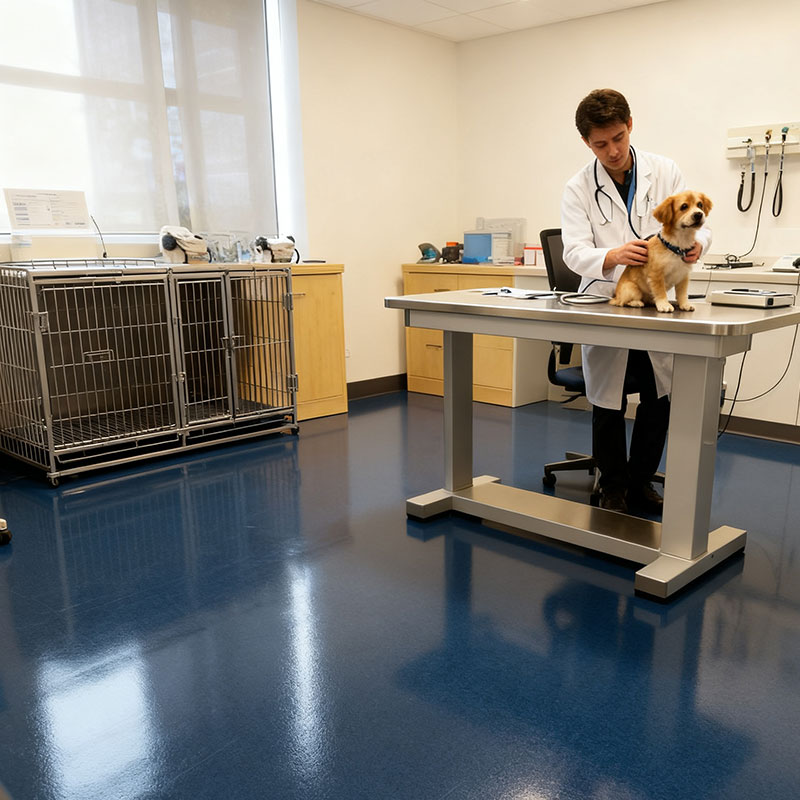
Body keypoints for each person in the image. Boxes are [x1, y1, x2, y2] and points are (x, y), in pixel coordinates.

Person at [560, 88, 712, 513]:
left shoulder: (664, 171)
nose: (612, 151)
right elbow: (573, 251)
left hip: (657, 302)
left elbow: (698, 218)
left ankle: (642, 480)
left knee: (657, 394)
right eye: (600, 144)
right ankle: (612, 485)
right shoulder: (577, 188)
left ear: (631, 126)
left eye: (618, 138)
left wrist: (699, 246)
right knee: (607, 400)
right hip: (612, 298)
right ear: (587, 142)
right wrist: (609, 256)